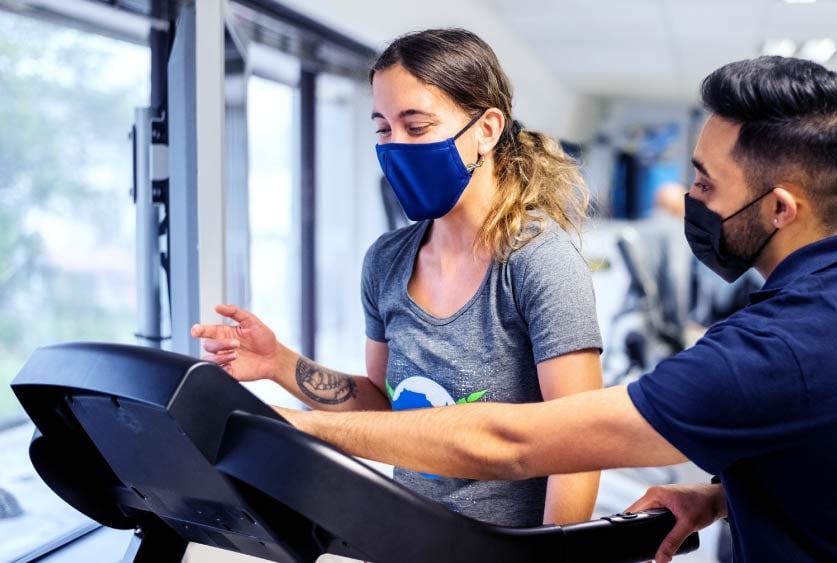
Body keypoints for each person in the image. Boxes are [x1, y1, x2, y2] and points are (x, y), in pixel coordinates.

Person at [272, 56, 837, 563]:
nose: (687, 196)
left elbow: (514, 442)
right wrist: (719, 496)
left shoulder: (776, 346)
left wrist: (292, 430)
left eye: (703, 181)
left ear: (780, 207)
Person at [191, 28, 604, 528]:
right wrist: (279, 363)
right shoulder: (386, 261)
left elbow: (579, 444)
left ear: (487, 129)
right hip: (406, 536)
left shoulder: (539, 262)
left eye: (417, 125)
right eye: (383, 129)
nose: (395, 146)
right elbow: (389, 407)